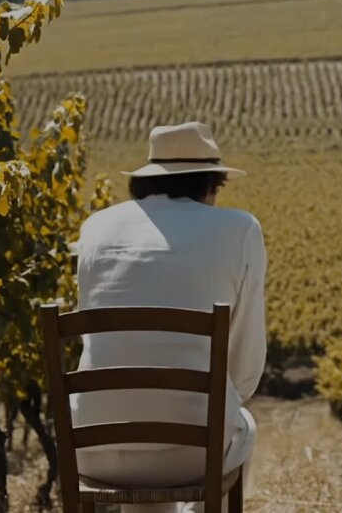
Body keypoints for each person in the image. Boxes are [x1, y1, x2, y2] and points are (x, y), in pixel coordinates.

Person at [72, 122, 267, 513]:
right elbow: (244, 371)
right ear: (211, 185)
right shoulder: (240, 229)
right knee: (241, 425)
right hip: (194, 454)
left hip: (90, 448)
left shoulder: (94, 229)